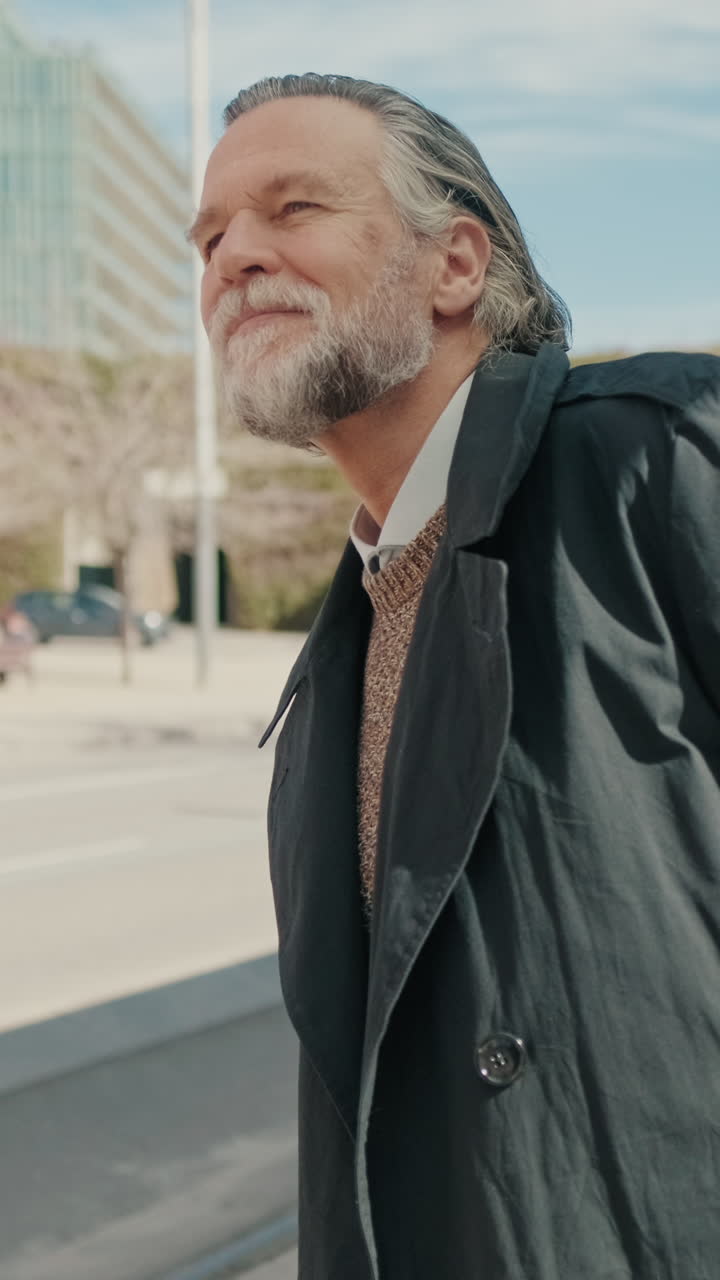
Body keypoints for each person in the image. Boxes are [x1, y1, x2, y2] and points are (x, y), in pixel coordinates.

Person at [191, 73, 720, 1280]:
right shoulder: (341, 649)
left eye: (293, 208)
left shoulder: (654, 457)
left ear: (456, 266)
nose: (234, 259)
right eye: (212, 237)